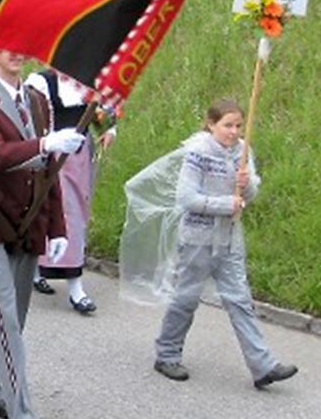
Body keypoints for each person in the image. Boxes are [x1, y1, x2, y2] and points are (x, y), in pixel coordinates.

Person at [0, 48, 82, 419]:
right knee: (6, 316)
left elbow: (50, 172)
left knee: (16, 315)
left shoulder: (37, 99)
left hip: (29, 223)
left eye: (19, 48)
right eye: (5, 48)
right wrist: (45, 143)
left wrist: (58, 225)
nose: (14, 55)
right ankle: (23, 416)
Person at [152, 98, 298, 389]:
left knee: (240, 300)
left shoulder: (243, 151)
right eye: (227, 125)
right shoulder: (197, 152)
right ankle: (167, 355)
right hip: (197, 238)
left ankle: (262, 366)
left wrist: (248, 184)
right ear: (211, 124)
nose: (233, 132)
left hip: (229, 238)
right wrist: (225, 203)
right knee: (186, 299)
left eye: (238, 125)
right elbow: (186, 198)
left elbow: (250, 195)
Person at [24, 69, 116, 313]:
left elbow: (102, 113)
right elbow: (31, 120)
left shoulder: (88, 81)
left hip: (80, 156)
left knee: (76, 215)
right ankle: (64, 282)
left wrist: (108, 129)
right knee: (53, 212)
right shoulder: (41, 82)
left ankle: (68, 280)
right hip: (52, 156)